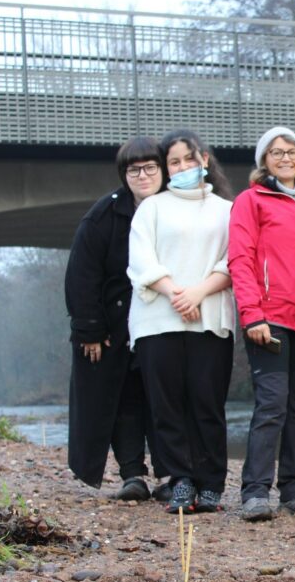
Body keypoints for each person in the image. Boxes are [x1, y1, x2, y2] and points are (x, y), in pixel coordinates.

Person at [229, 127, 295, 522]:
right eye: (276, 152)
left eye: (292, 152)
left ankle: (293, 489)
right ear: (264, 161)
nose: (286, 157)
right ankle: (255, 492)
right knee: (271, 406)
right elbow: (240, 260)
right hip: (269, 321)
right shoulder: (250, 201)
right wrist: (251, 314)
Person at [127, 129, 236, 515]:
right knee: (167, 405)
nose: (183, 167)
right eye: (174, 162)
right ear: (166, 168)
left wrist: (198, 293)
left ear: (204, 159)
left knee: (207, 403)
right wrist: (177, 293)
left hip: (210, 319)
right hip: (159, 320)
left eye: (189, 159)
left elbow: (233, 261)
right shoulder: (152, 208)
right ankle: (180, 479)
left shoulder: (226, 209)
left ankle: (211, 482)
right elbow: (141, 261)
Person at [65, 136, 168, 501]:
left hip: (167, 322)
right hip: (116, 327)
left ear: (163, 169)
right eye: (133, 169)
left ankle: (170, 472)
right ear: (124, 174)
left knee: (164, 398)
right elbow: (82, 275)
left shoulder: (178, 209)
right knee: (124, 399)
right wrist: (89, 330)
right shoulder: (104, 215)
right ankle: (132, 474)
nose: (142, 175)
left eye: (150, 167)